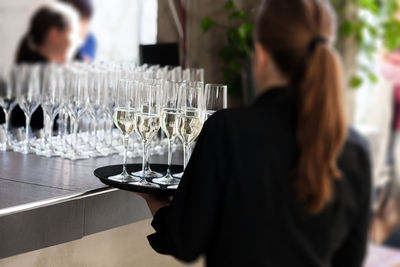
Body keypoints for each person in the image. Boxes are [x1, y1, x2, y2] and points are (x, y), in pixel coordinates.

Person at [137, 0, 372, 266]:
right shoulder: (355, 148)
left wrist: (155, 202)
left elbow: (184, 242)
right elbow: (350, 259)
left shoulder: (227, 131)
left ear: (260, 55)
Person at [13, 2, 80, 130]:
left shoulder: (31, 64)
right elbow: (50, 123)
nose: (73, 41)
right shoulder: (39, 75)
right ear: (54, 33)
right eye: (70, 32)